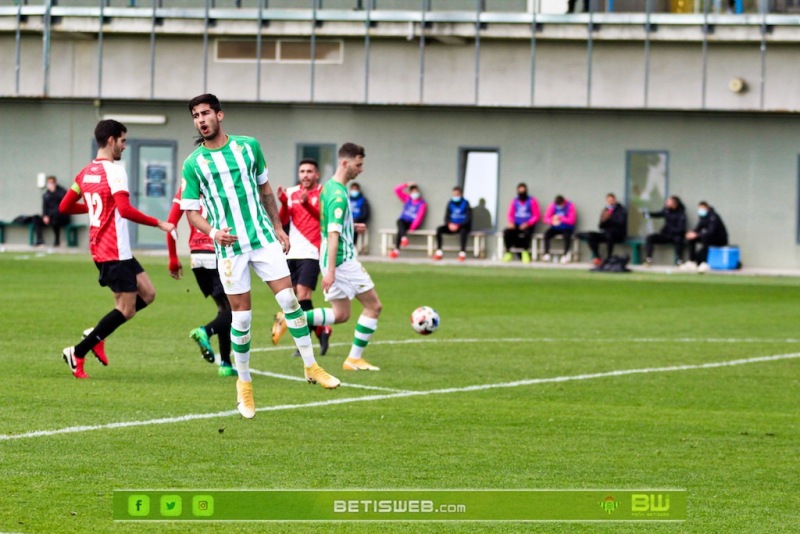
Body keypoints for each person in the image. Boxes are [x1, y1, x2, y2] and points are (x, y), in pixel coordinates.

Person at [181, 93, 340, 420]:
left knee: (290, 301)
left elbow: (266, 191)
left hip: (263, 239)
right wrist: (213, 233)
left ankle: (311, 366)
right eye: (196, 115)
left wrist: (280, 229)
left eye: (206, 113)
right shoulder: (194, 163)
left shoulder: (248, 147)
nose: (201, 119)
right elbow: (191, 213)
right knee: (241, 318)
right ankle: (244, 384)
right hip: (228, 247)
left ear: (220, 115)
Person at [58, 119, 176, 379]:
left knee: (148, 293)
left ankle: (98, 332)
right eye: (122, 141)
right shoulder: (115, 171)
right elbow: (124, 210)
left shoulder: (85, 173)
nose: (124, 146)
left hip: (109, 250)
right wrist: (160, 223)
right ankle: (78, 352)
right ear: (111, 140)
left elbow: (64, 207)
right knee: (126, 309)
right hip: (113, 252)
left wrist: (92, 205)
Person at [273, 143, 383, 372]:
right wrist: (332, 270)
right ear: (345, 162)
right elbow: (332, 233)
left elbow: (325, 221)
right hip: (342, 260)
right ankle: (354, 359)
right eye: (358, 165)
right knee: (374, 306)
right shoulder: (338, 195)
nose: (361, 170)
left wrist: (350, 226)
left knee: (341, 314)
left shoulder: (329, 188)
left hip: (327, 257)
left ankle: (290, 317)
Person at [166, 186, 236, 377]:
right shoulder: (219, 180)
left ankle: (226, 364)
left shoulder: (184, 188)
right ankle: (205, 331)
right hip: (218, 253)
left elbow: (170, 225)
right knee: (236, 310)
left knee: (224, 308)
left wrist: (173, 258)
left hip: (197, 257)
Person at [275, 158, 332, 356]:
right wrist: (283, 203)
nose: (305, 175)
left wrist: (307, 205)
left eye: (309, 171)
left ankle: (303, 346)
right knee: (291, 300)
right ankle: (321, 328)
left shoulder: (323, 192)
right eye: (302, 171)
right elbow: (282, 221)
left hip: (312, 251)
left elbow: (324, 219)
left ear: (317, 174)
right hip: (291, 252)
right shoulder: (291, 193)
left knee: (303, 295)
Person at [576, 193, 627, 266]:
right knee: (591, 235)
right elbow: (601, 226)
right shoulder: (606, 210)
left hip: (617, 234)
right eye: (609, 200)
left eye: (612, 200)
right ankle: (597, 256)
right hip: (606, 233)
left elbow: (621, 223)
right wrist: (604, 220)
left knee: (609, 235)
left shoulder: (621, 210)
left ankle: (609, 257)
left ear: (615, 200)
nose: (610, 202)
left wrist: (610, 218)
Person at [682, 201, 728, 273]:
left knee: (705, 238)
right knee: (692, 239)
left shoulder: (714, 217)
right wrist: (691, 234)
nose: (700, 210)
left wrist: (697, 235)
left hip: (719, 239)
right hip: (707, 238)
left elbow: (711, 232)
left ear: (707, 208)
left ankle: (704, 263)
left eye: (702, 208)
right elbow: (698, 229)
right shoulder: (703, 218)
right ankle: (692, 262)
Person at [502, 183, 540, 264]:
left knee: (527, 234)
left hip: (528, 224)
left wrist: (528, 223)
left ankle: (525, 252)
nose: (522, 193)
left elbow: (536, 215)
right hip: (516, 224)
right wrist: (511, 222)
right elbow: (510, 214)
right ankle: (508, 252)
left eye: (523, 191)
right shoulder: (515, 201)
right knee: (507, 232)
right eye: (520, 191)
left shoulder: (532, 201)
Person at [644, 195, 687, 267]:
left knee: (679, 240)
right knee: (650, 238)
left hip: (675, 236)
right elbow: (658, 214)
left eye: (668, 202)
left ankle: (679, 260)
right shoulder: (666, 210)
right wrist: (648, 214)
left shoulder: (681, 214)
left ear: (674, 203)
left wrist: (671, 229)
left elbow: (681, 229)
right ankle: (648, 259)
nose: (666, 203)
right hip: (665, 235)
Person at [433, 186, 472, 262]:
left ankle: (462, 253)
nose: (455, 196)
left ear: (461, 194)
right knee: (439, 229)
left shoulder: (466, 203)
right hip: (452, 226)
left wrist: (459, 225)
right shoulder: (450, 203)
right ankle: (439, 252)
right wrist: (449, 224)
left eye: (457, 194)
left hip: (462, 226)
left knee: (463, 231)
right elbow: (446, 217)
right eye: (454, 194)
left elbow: (468, 218)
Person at [389, 182, 427, 259]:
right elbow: (397, 190)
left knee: (400, 228)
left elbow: (420, 216)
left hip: (412, 224)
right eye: (413, 192)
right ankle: (403, 240)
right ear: (410, 193)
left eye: (416, 192)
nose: (415, 193)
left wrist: (412, 227)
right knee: (400, 223)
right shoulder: (407, 199)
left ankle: (397, 249)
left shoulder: (422, 203)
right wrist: (406, 184)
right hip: (403, 222)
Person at [34, 175, 70, 247]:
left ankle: (57, 241)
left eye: (52, 182)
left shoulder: (61, 191)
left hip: (61, 216)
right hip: (49, 216)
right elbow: (44, 207)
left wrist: (54, 192)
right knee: (36, 219)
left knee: (55, 217)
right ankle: (40, 240)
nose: (51, 184)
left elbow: (64, 202)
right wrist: (45, 216)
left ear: (55, 183)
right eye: (49, 183)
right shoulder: (46, 194)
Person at [542, 194, 577, 263]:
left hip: (566, 227)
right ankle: (546, 253)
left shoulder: (570, 206)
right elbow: (546, 218)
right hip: (555, 227)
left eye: (560, 204)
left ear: (563, 202)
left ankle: (565, 255)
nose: (559, 206)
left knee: (567, 236)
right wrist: (552, 221)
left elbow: (572, 220)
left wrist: (561, 218)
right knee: (546, 234)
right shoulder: (552, 206)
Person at [349, 181, 370, 252]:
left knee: (355, 228)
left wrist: (357, 220)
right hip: (347, 222)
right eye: (352, 189)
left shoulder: (363, 200)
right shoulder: (347, 199)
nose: (354, 191)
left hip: (358, 221)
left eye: (355, 189)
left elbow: (366, 213)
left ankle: (353, 247)